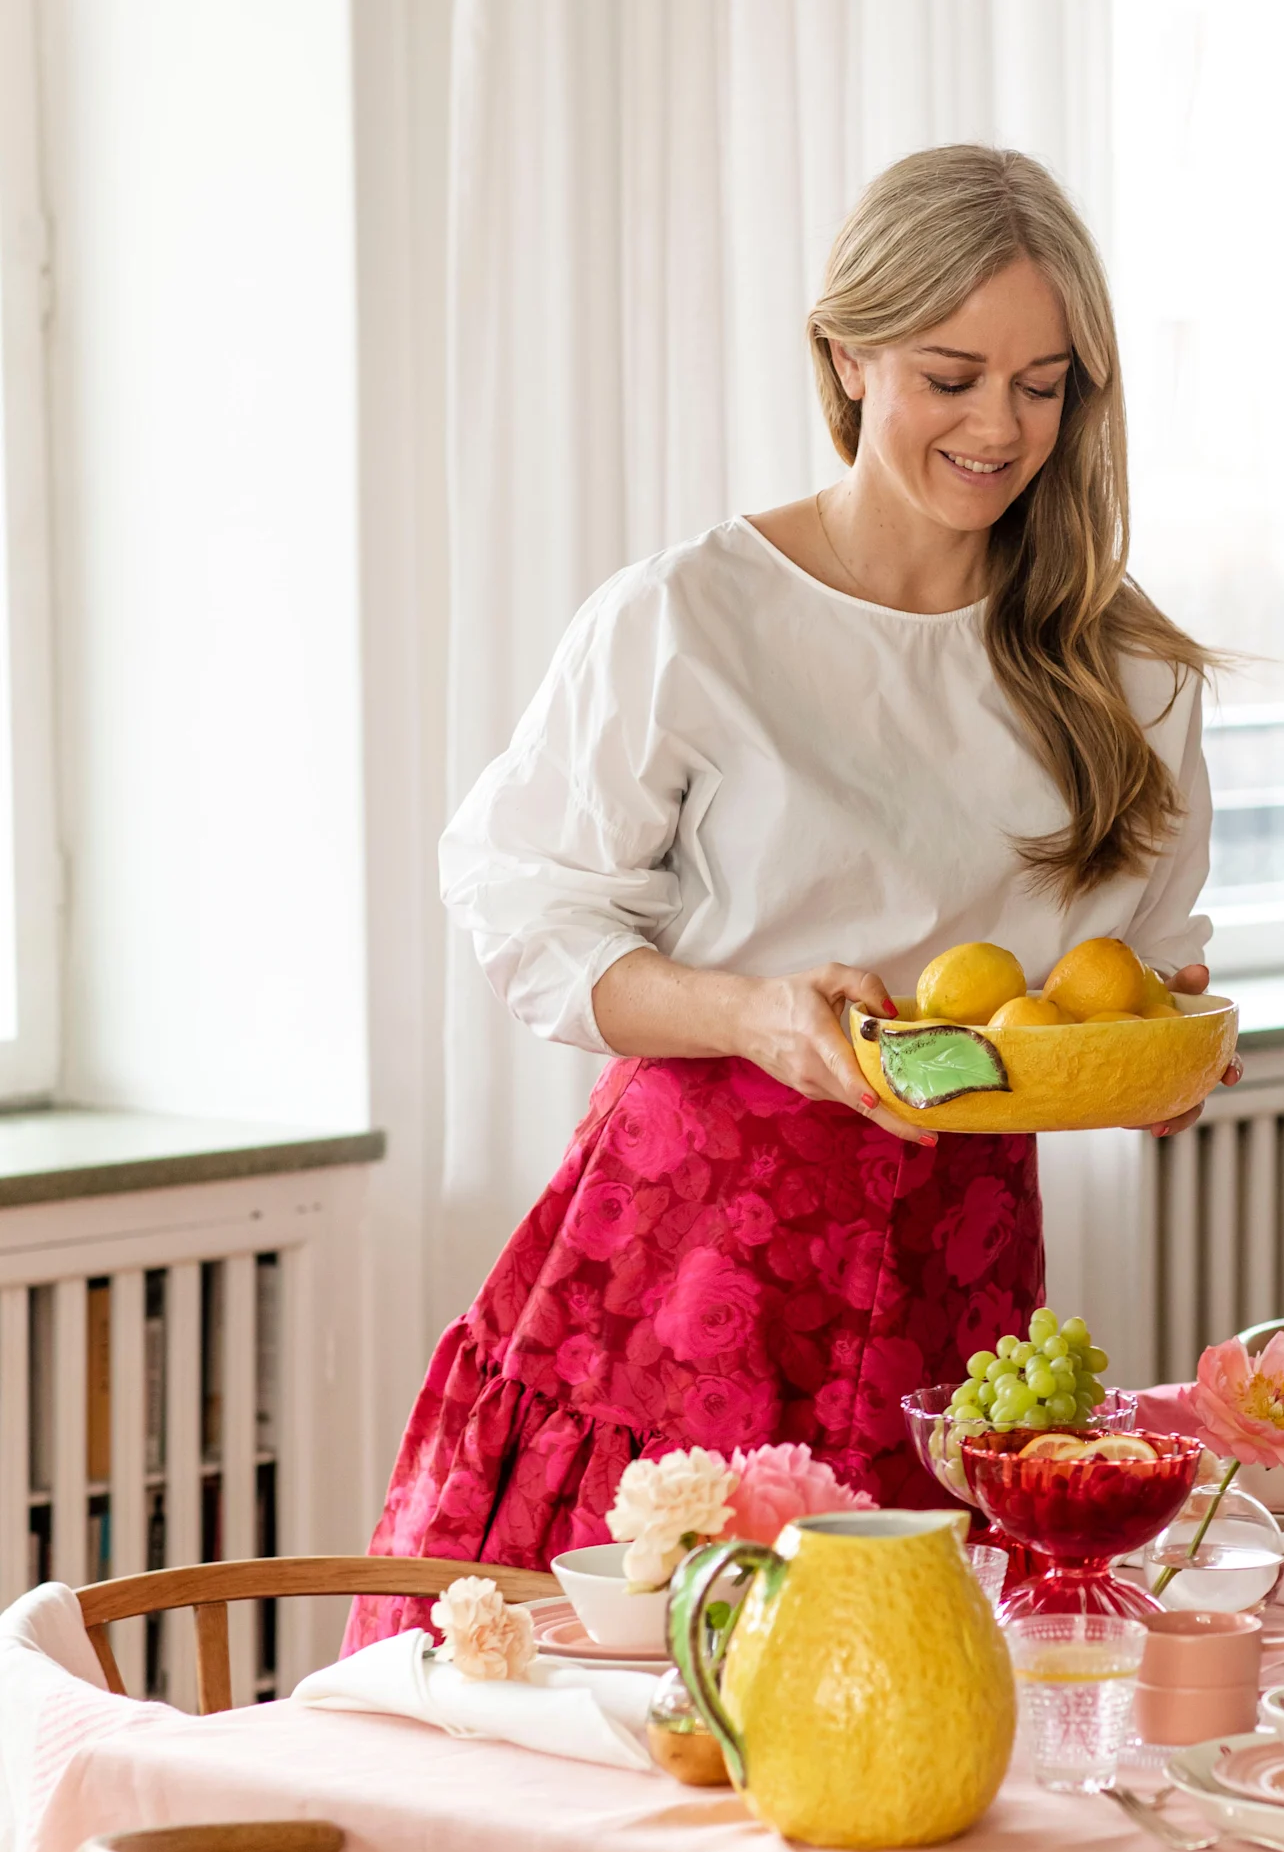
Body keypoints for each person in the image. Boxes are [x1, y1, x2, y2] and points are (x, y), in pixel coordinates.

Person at [349, 145, 1229, 1639]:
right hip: (691, 1248)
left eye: (1044, 382)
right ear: (845, 352)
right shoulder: (693, 616)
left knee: (908, 1708)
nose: (999, 426)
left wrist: (1158, 1063)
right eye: (952, 374)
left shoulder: (1119, 662)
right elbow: (526, 904)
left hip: (960, 1245)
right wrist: (752, 1014)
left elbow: (1145, 968)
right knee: (633, 1701)